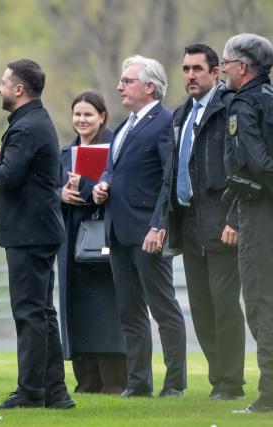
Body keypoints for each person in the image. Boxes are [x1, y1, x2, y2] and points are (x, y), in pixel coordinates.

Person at [0, 59, 75, 410]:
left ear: (19, 89)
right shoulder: (32, 122)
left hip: (30, 233)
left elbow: (6, 175)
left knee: (29, 313)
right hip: (38, 231)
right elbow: (6, 174)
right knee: (42, 312)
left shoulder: (28, 127)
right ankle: (55, 393)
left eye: (4, 82)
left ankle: (30, 392)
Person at [150, 44, 245, 401]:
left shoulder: (228, 109)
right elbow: (169, 175)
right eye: (186, 69)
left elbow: (241, 169)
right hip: (188, 225)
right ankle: (218, 380)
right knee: (202, 308)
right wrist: (161, 221)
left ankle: (231, 384)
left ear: (215, 72)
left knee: (224, 304)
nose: (190, 76)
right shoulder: (180, 115)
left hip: (222, 224)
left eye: (197, 69)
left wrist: (234, 218)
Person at [93, 55, 187, 398]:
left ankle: (174, 384)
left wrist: (158, 226)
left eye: (127, 80)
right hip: (117, 233)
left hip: (148, 233)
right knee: (129, 311)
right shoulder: (123, 126)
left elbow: (168, 179)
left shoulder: (165, 123)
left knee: (164, 310)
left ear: (150, 87)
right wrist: (102, 185)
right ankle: (138, 384)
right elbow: (113, 170)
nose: (119, 86)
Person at [57, 90, 127, 394]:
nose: (81, 120)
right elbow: (48, 189)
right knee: (76, 308)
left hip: (106, 237)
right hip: (71, 240)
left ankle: (113, 379)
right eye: (77, 114)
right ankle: (86, 379)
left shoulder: (117, 149)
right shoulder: (63, 154)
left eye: (88, 114)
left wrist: (85, 188)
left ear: (102, 117)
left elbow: (120, 188)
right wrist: (61, 194)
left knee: (108, 309)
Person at [222, 33, 273, 414]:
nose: (222, 68)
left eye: (225, 62)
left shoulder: (244, 104)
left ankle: (269, 393)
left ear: (242, 66)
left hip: (260, 211)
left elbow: (255, 163)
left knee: (259, 301)